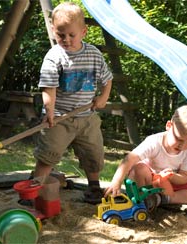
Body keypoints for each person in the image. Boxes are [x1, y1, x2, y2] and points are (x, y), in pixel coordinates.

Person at [33, 2, 113, 204]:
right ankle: (34, 187)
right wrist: (49, 111)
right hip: (60, 116)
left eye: (71, 35)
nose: (66, 40)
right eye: (61, 35)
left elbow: (107, 78)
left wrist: (103, 97)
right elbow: (48, 88)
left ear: (83, 32)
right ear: (54, 30)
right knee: (48, 154)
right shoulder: (54, 57)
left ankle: (94, 188)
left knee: (93, 154)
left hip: (87, 117)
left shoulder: (93, 54)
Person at [104, 105, 187, 210]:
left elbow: (185, 178)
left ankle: (163, 199)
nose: (182, 145)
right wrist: (116, 181)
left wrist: (172, 176)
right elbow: (130, 159)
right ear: (169, 126)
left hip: (169, 186)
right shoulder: (154, 142)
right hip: (148, 182)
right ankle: (144, 198)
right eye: (179, 139)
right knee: (139, 168)